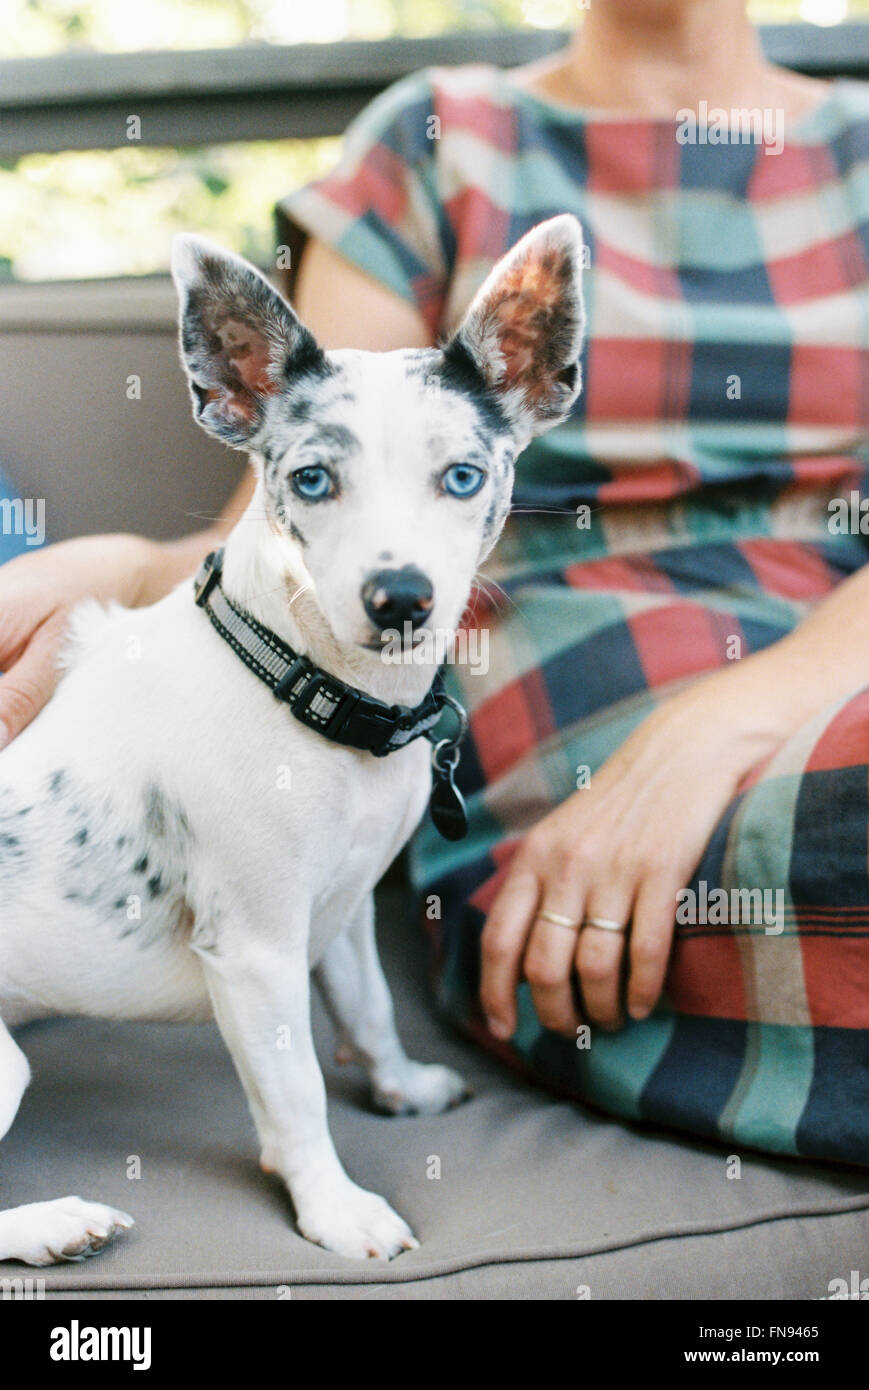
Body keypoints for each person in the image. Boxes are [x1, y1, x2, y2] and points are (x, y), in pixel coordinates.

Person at [2, 0, 867, 1162]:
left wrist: (716, 726)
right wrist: (125, 576)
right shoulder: (435, 138)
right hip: (558, 681)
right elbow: (305, 493)